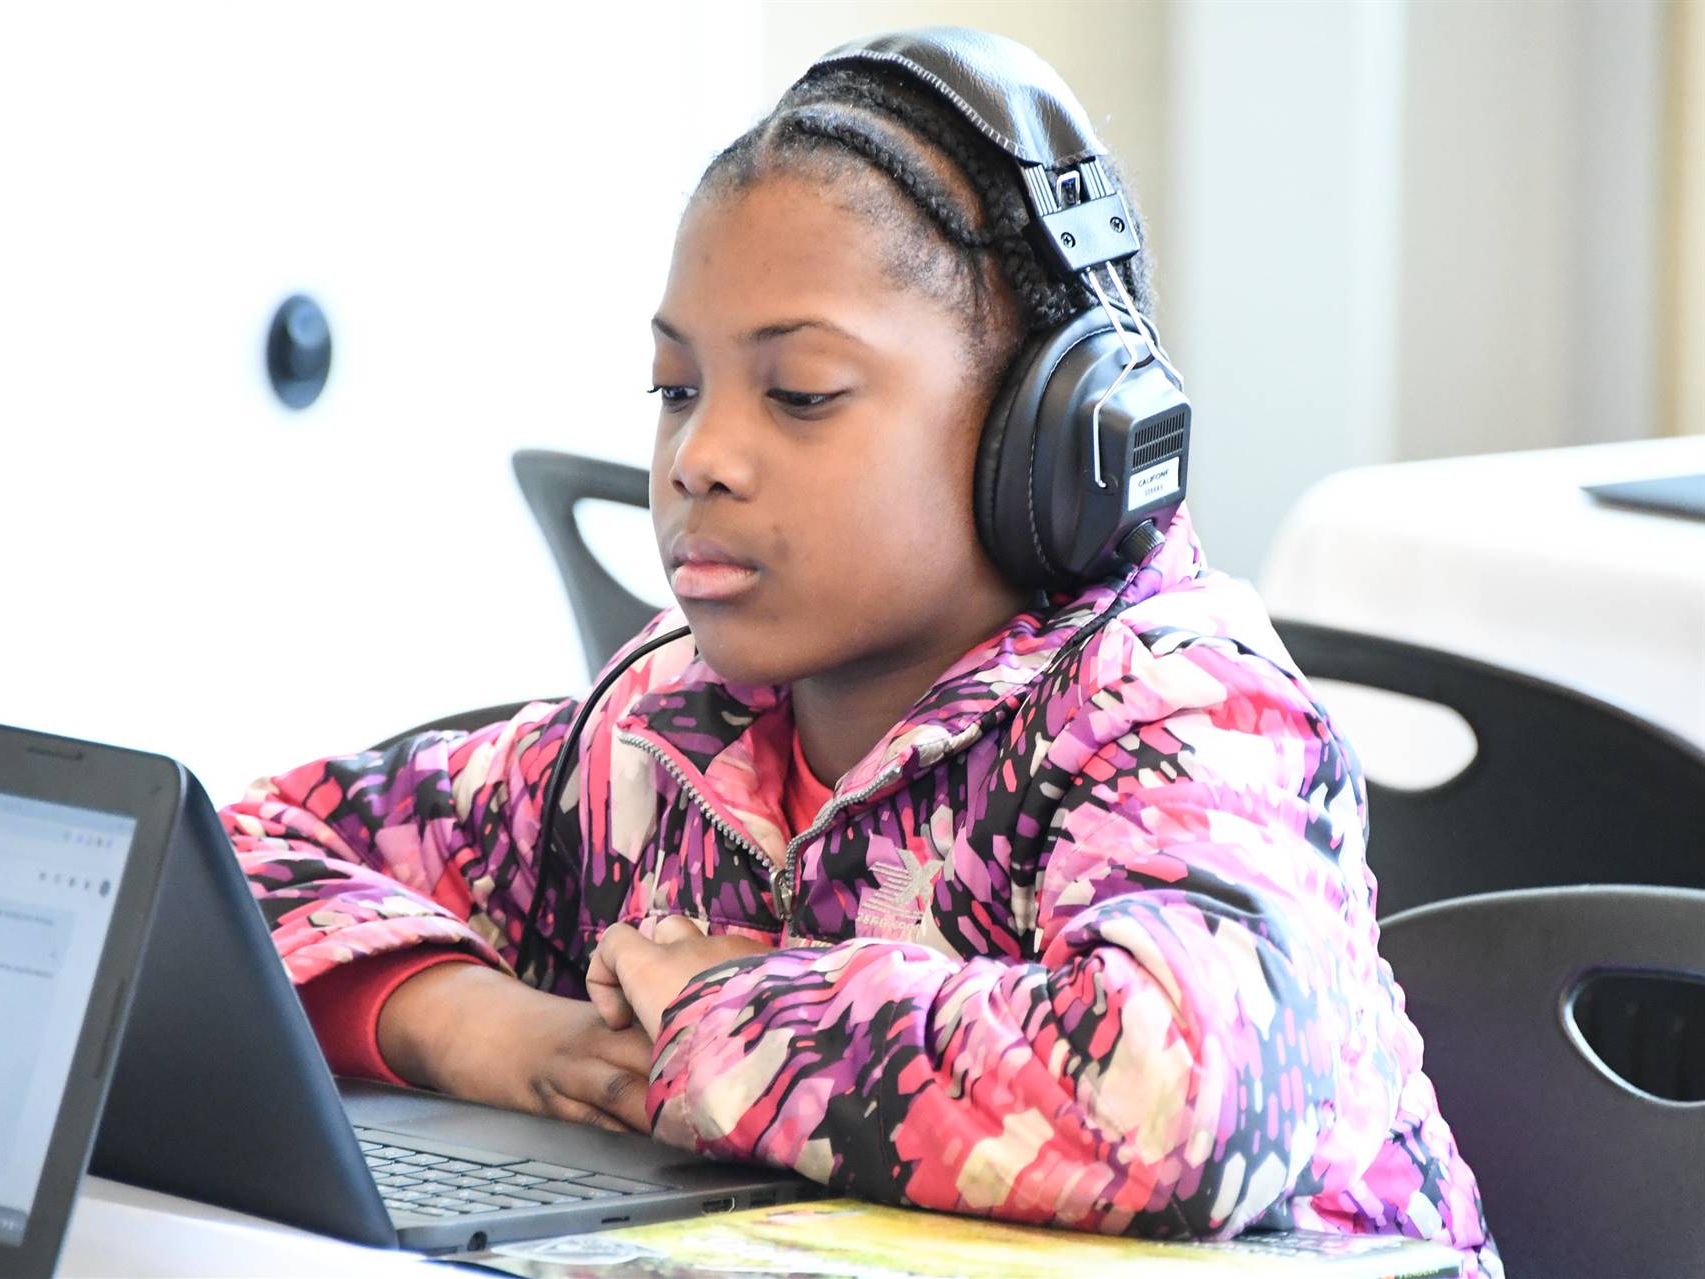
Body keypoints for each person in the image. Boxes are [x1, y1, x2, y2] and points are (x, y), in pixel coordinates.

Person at [222, 28, 1498, 1274]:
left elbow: (1177, 1099)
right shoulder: (672, 725)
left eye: (801, 395)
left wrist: (723, 1012)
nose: (699, 457)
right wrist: (473, 1028)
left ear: (1050, 430)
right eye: (677, 388)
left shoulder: (1174, 707)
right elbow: (228, 861)